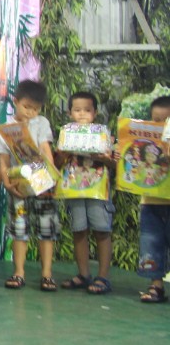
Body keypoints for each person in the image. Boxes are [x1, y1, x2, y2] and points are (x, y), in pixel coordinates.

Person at [1, 79, 59, 292]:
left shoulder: (41, 123)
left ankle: (47, 275)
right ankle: (19, 272)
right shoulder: (6, 128)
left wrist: (52, 178)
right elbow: (3, 159)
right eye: (26, 107)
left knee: (46, 229)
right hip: (19, 185)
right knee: (19, 229)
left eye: (36, 109)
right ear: (15, 101)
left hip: (43, 183)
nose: (31, 112)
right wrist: (7, 182)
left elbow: (46, 149)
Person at [57, 90, 115, 295]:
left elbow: (115, 164)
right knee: (79, 230)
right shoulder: (66, 133)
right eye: (77, 110)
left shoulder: (103, 133)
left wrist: (104, 158)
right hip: (74, 189)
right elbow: (58, 162)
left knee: (102, 230)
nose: (82, 114)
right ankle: (83, 274)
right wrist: (62, 153)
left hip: (98, 189)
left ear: (95, 112)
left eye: (87, 110)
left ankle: (103, 277)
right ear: (70, 112)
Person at [137, 96, 170, 304]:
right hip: (150, 200)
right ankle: (156, 285)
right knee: (150, 241)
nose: (162, 125)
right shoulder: (145, 141)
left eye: (166, 121)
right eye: (156, 120)